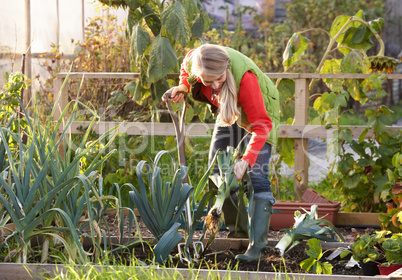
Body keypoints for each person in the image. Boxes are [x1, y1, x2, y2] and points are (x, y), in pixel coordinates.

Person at [162, 44, 279, 261]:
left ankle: (256, 248)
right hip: (228, 106)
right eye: (208, 81)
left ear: (226, 68)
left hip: (261, 112)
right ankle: (238, 235)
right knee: (218, 172)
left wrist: (246, 160)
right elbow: (186, 71)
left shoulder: (246, 80)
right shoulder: (194, 60)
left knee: (257, 175)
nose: (215, 84)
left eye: (219, 78)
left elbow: (262, 125)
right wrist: (183, 87)